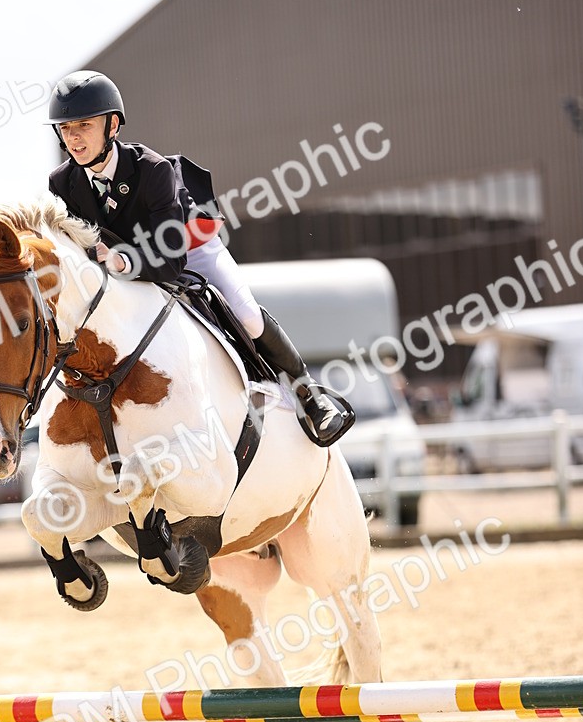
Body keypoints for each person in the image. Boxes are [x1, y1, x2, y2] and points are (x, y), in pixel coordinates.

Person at [46, 70, 353, 446]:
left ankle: (309, 395)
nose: (73, 137)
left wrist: (124, 261)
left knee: (246, 315)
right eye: (65, 127)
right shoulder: (61, 182)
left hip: (186, 249)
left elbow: (171, 262)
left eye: (84, 125)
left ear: (112, 125)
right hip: (121, 265)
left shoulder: (153, 170)